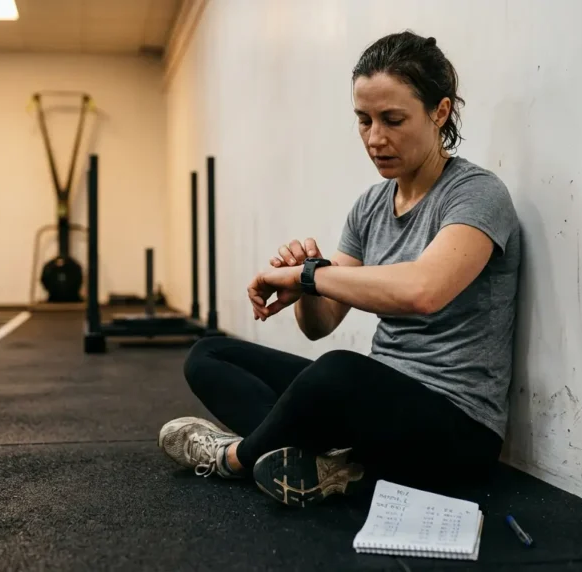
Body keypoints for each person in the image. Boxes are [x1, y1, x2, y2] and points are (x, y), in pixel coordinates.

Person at [158, 30, 521, 508]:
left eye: (392, 120)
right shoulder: (371, 206)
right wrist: (308, 287)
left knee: (337, 375)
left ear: (440, 111)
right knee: (209, 354)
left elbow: (424, 290)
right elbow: (320, 324)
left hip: (457, 430)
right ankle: (328, 462)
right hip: (378, 411)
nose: (375, 138)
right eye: (364, 120)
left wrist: (309, 275)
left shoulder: (476, 194)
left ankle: (235, 458)